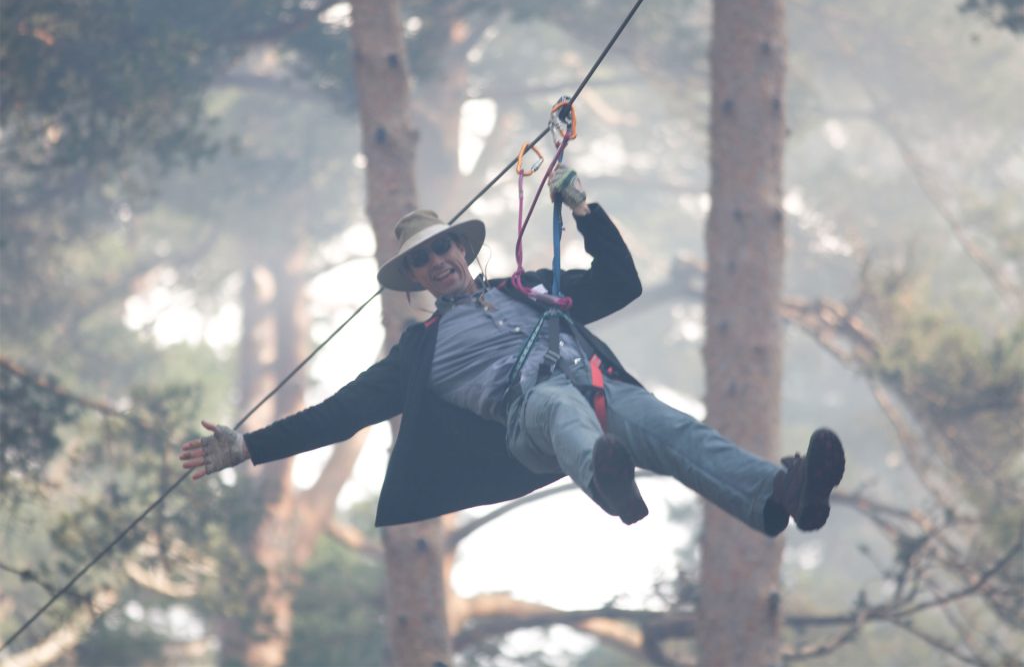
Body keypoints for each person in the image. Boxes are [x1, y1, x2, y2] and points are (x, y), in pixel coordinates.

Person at [180, 165, 845, 535]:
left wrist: (582, 207)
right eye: (422, 259)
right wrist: (246, 446)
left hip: (601, 392)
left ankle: (784, 492)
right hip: (531, 421)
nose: (438, 261)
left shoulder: (529, 290)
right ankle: (608, 481)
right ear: (414, 278)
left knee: (675, 428)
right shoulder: (422, 350)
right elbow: (338, 413)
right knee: (557, 403)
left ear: (463, 251)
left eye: (444, 247)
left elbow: (621, 282)